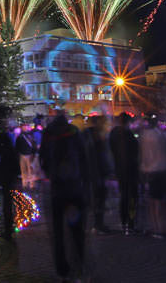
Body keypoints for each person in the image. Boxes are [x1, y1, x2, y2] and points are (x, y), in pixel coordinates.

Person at [39, 109, 88, 281]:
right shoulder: (73, 131)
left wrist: (51, 174)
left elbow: (42, 159)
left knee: (58, 232)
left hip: (57, 189)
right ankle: (80, 268)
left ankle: (62, 271)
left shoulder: (48, 133)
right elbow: (83, 157)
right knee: (77, 231)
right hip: (74, 188)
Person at [139, 118, 166, 238]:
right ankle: (162, 228)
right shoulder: (161, 135)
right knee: (160, 200)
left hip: (150, 170)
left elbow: (142, 155)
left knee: (153, 200)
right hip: (162, 169)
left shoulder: (143, 136)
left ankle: (155, 226)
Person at [0, 108, 20, 240]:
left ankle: (8, 228)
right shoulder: (8, 137)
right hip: (10, 172)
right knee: (9, 199)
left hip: (7, 172)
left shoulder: (2, 138)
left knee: (7, 200)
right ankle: (10, 225)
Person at [109, 113, 140, 235]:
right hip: (130, 170)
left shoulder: (113, 134)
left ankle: (124, 222)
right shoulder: (128, 134)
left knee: (124, 196)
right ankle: (130, 223)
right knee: (132, 197)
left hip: (120, 169)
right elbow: (134, 152)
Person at [81, 114, 112, 233]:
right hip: (97, 172)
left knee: (91, 199)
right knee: (99, 199)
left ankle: (92, 225)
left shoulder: (84, 135)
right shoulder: (98, 136)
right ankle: (98, 224)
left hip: (88, 173)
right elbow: (102, 156)